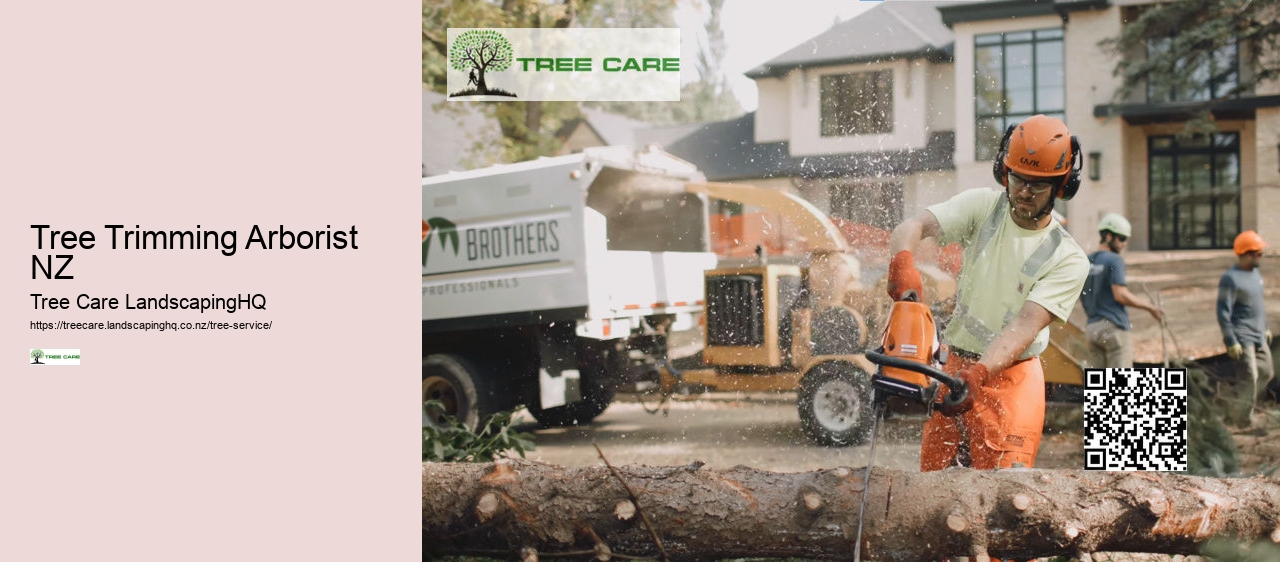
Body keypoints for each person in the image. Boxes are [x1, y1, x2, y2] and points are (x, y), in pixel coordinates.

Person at [888, 114, 1089, 470]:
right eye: (1017, 179)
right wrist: (903, 261)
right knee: (936, 480)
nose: (1024, 191)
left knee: (1001, 496)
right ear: (1003, 172)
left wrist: (979, 373)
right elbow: (914, 225)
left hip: (1012, 376)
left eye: (1037, 185)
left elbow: (1025, 325)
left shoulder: (1069, 258)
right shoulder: (983, 207)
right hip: (954, 365)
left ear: (1061, 186)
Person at [1080, 213, 1162, 368]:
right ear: (1109, 236)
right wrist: (1150, 307)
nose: (1124, 244)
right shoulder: (1114, 260)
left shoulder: (1086, 261)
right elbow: (1120, 294)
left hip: (1092, 330)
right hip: (1113, 328)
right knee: (1120, 388)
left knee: (1099, 387)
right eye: (1122, 238)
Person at [1216, 230, 1273, 428]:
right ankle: (1243, 421)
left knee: (1266, 372)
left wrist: (1265, 327)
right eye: (1259, 253)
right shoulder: (1230, 279)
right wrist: (1231, 340)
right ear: (1248, 254)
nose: (1261, 257)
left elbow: (1257, 304)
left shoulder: (1256, 274)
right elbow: (1223, 311)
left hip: (1259, 334)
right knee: (1250, 377)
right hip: (1242, 336)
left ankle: (1234, 405)